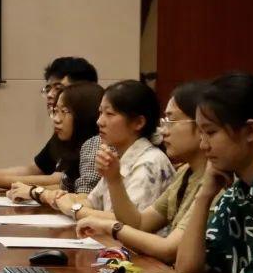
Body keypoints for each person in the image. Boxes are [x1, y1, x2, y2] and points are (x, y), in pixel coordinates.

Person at [93, 72, 253, 273]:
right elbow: (187, 268)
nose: (204, 145)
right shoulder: (236, 190)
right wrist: (205, 195)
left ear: (250, 131)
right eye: (202, 133)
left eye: (211, 132)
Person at [75, 81, 212, 263]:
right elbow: (139, 223)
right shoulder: (186, 172)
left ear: (203, 126)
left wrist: (110, 226)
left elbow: (169, 250)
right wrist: (114, 179)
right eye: (164, 122)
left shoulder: (214, 180)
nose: (164, 131)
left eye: (171, 121)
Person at [55, 79, 175, 218]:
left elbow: (127, 221)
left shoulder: (150, 163)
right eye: (100, 113)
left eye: (109, 114)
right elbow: (92, 202)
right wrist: (66, 199)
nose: (99, 122)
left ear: (138, 122)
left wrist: (72, 208)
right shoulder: (120, 158)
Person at [0, 56, 98, 189]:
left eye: (58, 88)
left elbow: (61, 181)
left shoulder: (93, 138)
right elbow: (36, 169)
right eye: (48, 89)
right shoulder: (64, 130)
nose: (50, 95)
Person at [9, 82, 104, 205]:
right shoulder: (72, 145)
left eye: (64, 111)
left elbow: (84, 200)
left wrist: (34, 192)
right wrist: (27, 190)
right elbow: (65, 188)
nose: (56, 119)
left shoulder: (95, 145)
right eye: (55, 111)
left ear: (85, 115)